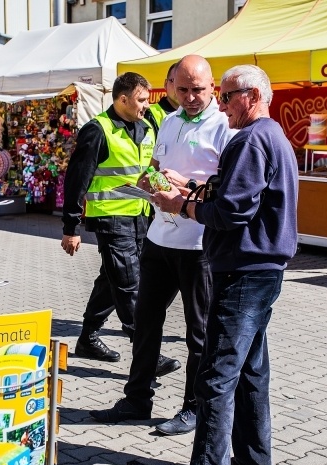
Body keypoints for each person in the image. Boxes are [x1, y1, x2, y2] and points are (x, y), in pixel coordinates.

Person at [151, 64, 299, 465]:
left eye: (227, 95)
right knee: (251, 370)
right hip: (261, 269)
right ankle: (254, 463)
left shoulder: (250, 139)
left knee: (215, 377)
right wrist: (193, 187)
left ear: (251, 96)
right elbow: (236, 197)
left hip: (244, 271)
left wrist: (182, 205)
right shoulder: (271, 137)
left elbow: (231, 212)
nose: (220, 103)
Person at [89, 55, 236, 436]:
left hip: (199, 245)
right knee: (145, 323)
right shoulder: (167, 121)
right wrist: (151, 180)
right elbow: (154, 164)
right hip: (159, 237)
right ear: (171, 86)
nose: (189, 97)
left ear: (212, 86)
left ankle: (193, 407)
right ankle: (137, 399)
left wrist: (183, 184)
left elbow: (225, 192)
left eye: (197, 90)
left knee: (198, 332)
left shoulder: (225, 128)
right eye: (182, 89)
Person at [60, 72, 178, 375]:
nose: (146, 105)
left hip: (141, 216)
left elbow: (149, 168)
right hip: (111, 219)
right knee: (130, 285)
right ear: (122, 99)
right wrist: (70, 228)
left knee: (111, 280)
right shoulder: (98, 130)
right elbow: (77, 179)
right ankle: (148, 353)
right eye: (140, 100)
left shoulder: (147, 125)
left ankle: (87, 338)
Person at [147, 61, 180, 127]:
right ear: (165, 84)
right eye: (173, 81)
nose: (179, 86)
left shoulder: (195, 114)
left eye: (184, 82)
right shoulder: (149, 114)